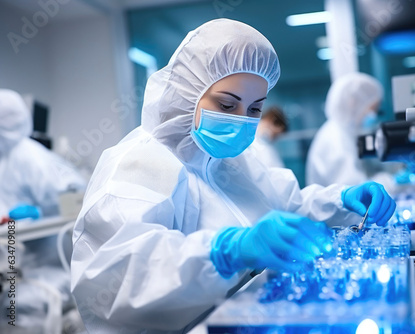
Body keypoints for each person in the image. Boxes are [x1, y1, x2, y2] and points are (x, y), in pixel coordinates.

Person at [71, 19, 396, 334]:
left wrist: (340, 200)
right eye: (227, 105)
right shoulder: (140, 163)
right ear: (188, 94)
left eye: (255, 109)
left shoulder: (229, 160)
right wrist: (225, 251)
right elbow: (118, 279)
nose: (242, 121)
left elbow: (286, 206)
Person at [0, 89, 86, 219]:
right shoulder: (6, 156)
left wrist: (38, 212)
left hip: (40, 237)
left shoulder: (28, 155)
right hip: (13, 235)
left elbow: (71, 199)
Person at [306, 73, 396, 191]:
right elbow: (353, 189)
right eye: (372, 109)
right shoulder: (334, 139)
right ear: (353, 102)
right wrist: (390, 181)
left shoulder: (343, 133)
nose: (373, 116)